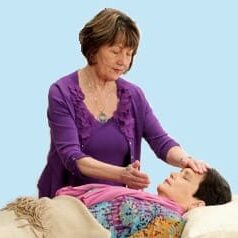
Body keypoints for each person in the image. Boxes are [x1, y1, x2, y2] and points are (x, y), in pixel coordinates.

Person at [38, 8, 209, 198]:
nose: (123, 62)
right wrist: (122, 174)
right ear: (94, 49)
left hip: (112, 204)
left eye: (129, 54)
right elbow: (72, 156)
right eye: (116, 51)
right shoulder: (61, 92)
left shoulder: (133, 95)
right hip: (66, 201)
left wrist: (185, 160)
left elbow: (160, 141)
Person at [56, 167, 232, 237]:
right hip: (56, 215)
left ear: (196, 204)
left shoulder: (170, 223)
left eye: (185, 178)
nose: (173, 174)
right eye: (179, 171)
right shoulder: (147, 201)